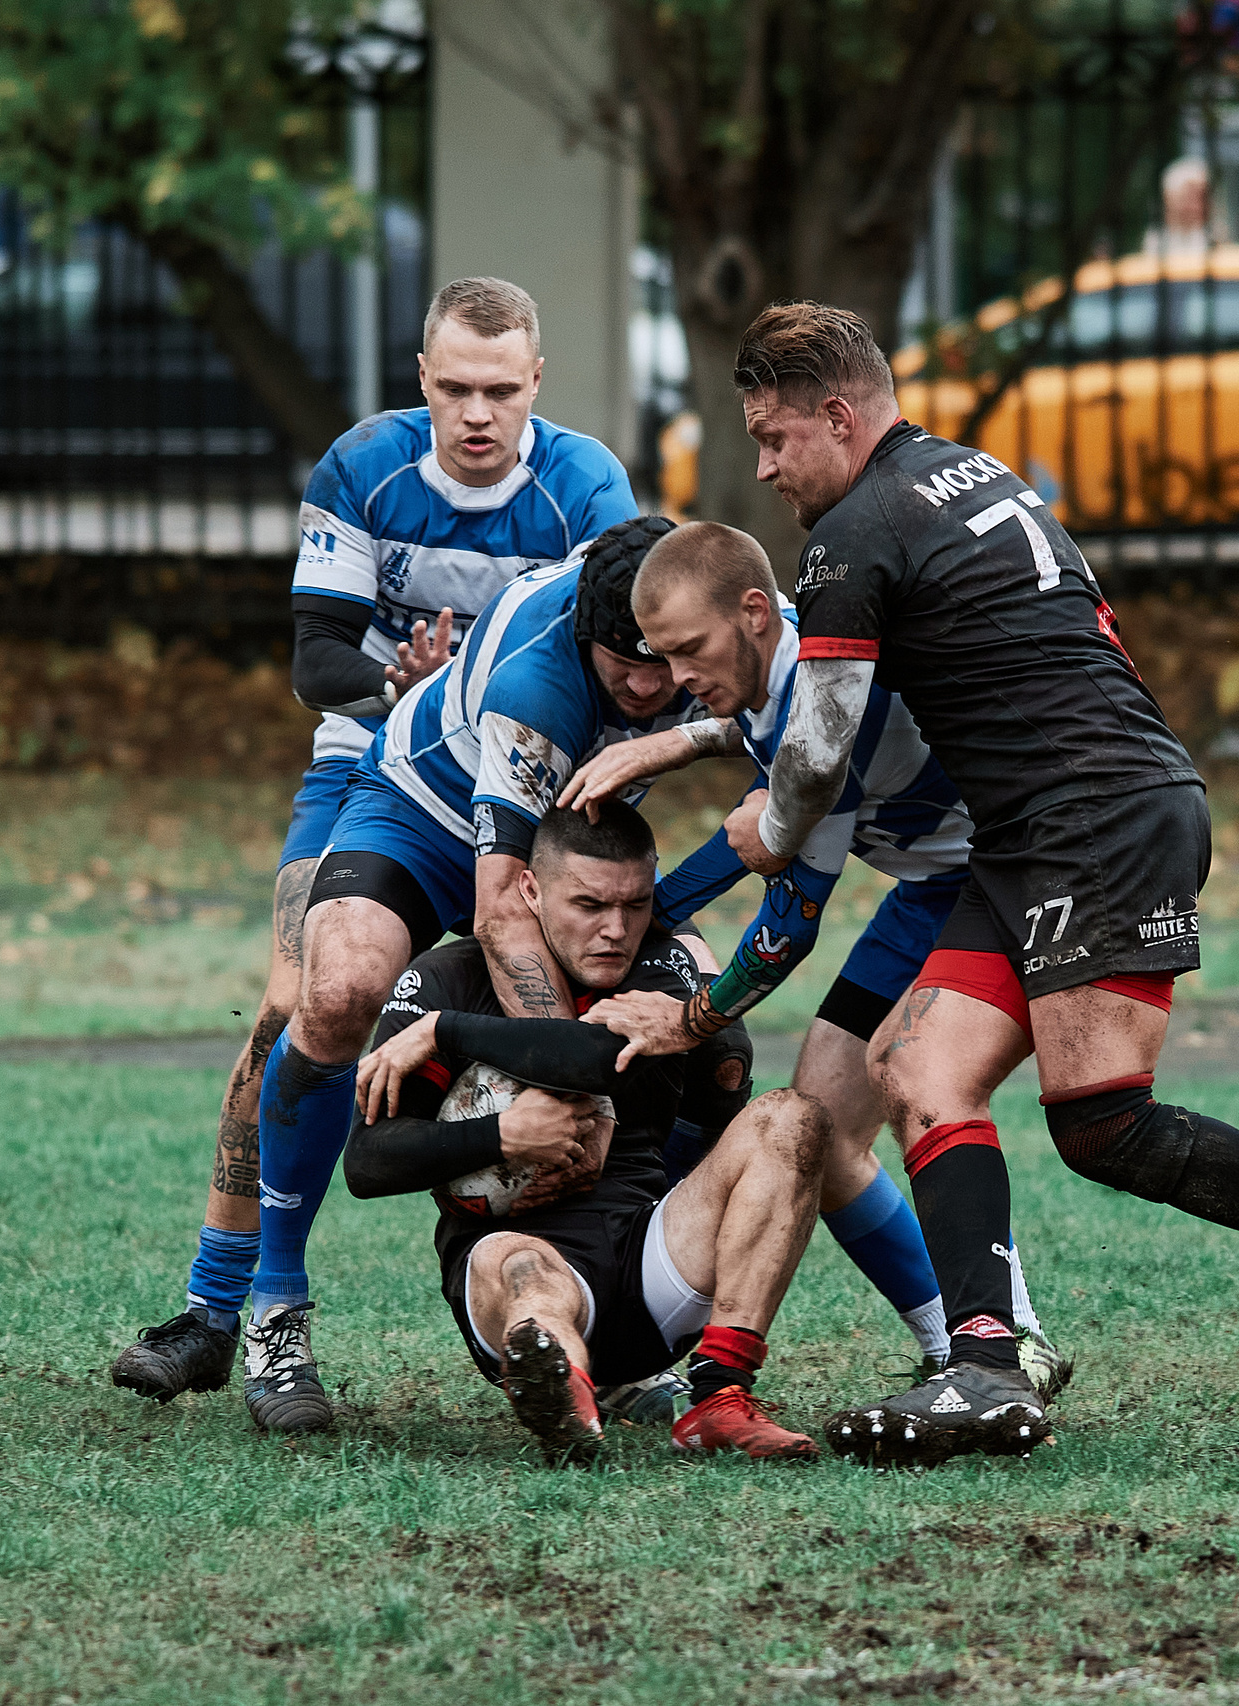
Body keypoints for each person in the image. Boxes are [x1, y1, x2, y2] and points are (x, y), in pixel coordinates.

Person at [721, 300, 1239, 1466]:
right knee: (916, 1067)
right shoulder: (968, 471)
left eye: (775, 438)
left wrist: (767, 828)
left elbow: (816, 755)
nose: (764, 466)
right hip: (1032, 831)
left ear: (837, 413)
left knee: (1102, 1122)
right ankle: (980, 1365)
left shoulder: (853, 533)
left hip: (1098, 822)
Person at [110, 276, 636, 1412]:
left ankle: (617, 1317)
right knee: (308, 997)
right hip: (375, 766)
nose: (477, 414)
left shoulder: (587, 485)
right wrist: (413, 679)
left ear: (536, 382)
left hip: (534, 789)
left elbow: (615, 657)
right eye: (455, 389)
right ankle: (234, 1309)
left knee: (588, 1015)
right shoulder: (364, 465)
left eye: (501, 390)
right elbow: (316, 657)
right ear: (422, 381)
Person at [241, 514, 728, 1436]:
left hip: (579, 854)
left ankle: (614, 1304)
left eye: (664, 664)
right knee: (339, 990)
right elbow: (504, 904)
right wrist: (559, 1096)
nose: (648, 687)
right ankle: (274, 1312)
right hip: (425, 806)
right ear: (587, 629)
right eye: (623, 665)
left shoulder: (722, 614)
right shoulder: (536, 680)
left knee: (703, 1017)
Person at [557, 520, 1068, 1396]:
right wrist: (674, 769)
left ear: (753, 613)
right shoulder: (792, 645)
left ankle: (1006, 1339)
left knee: (915, 1096)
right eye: (662, 657)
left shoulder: (825, 724)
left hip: (991, 888)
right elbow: (757, 764)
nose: (676, 681)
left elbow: (787, 927)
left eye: (688, 653)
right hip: (932, 891)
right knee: (823, 1126)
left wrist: (689, 1020)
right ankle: (971, 1339)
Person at [344, 799, 827, 1461]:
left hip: (650, 1255)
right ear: (530, 890)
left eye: (634, 905)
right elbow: (367, 1164)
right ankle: (561, 1394)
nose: (616, 930)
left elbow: (595, 1056)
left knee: (793, 1119)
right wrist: (504, 1137)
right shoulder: (444, 980)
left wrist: (445, 1035)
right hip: (507, 1259)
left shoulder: (658, 965)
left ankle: (719, 1395)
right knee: (523, 1272)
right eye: (590, 905)